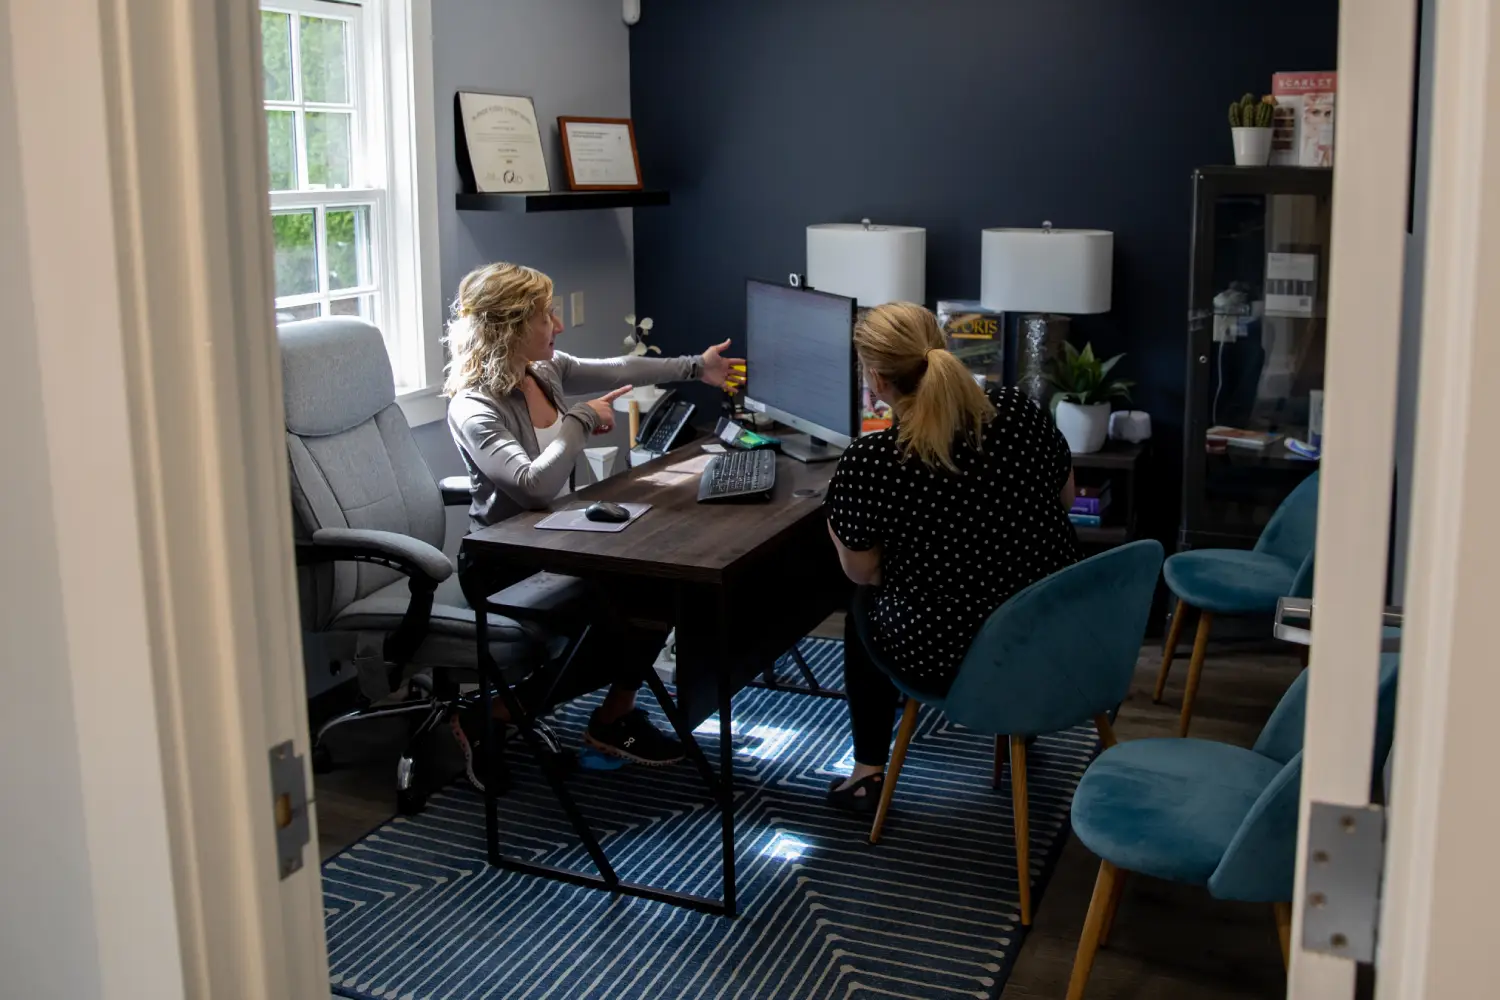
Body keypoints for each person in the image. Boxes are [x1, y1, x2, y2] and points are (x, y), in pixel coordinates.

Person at [443, 262, 744, 780]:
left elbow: (619, 367)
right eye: (545, 316)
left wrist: (698, 367)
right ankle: (495, 711)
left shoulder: (545, 371)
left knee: (662, 592)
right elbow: (534, 486)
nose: (558, 325)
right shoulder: (474, 407)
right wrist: (581, 421)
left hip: (567, 542)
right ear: (512, 327)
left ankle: (613, 715)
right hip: (505, 564)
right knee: (629, 611)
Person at [823, 302, 1080, 811]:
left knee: (861, 610)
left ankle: (868, 770)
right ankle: (1018, 730)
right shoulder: (1019, 410)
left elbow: (865, 571)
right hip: (1055, 639)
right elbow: (1067, 499)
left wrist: (836, 518)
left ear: (876, 378)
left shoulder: (873, 460)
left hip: (950, 659)